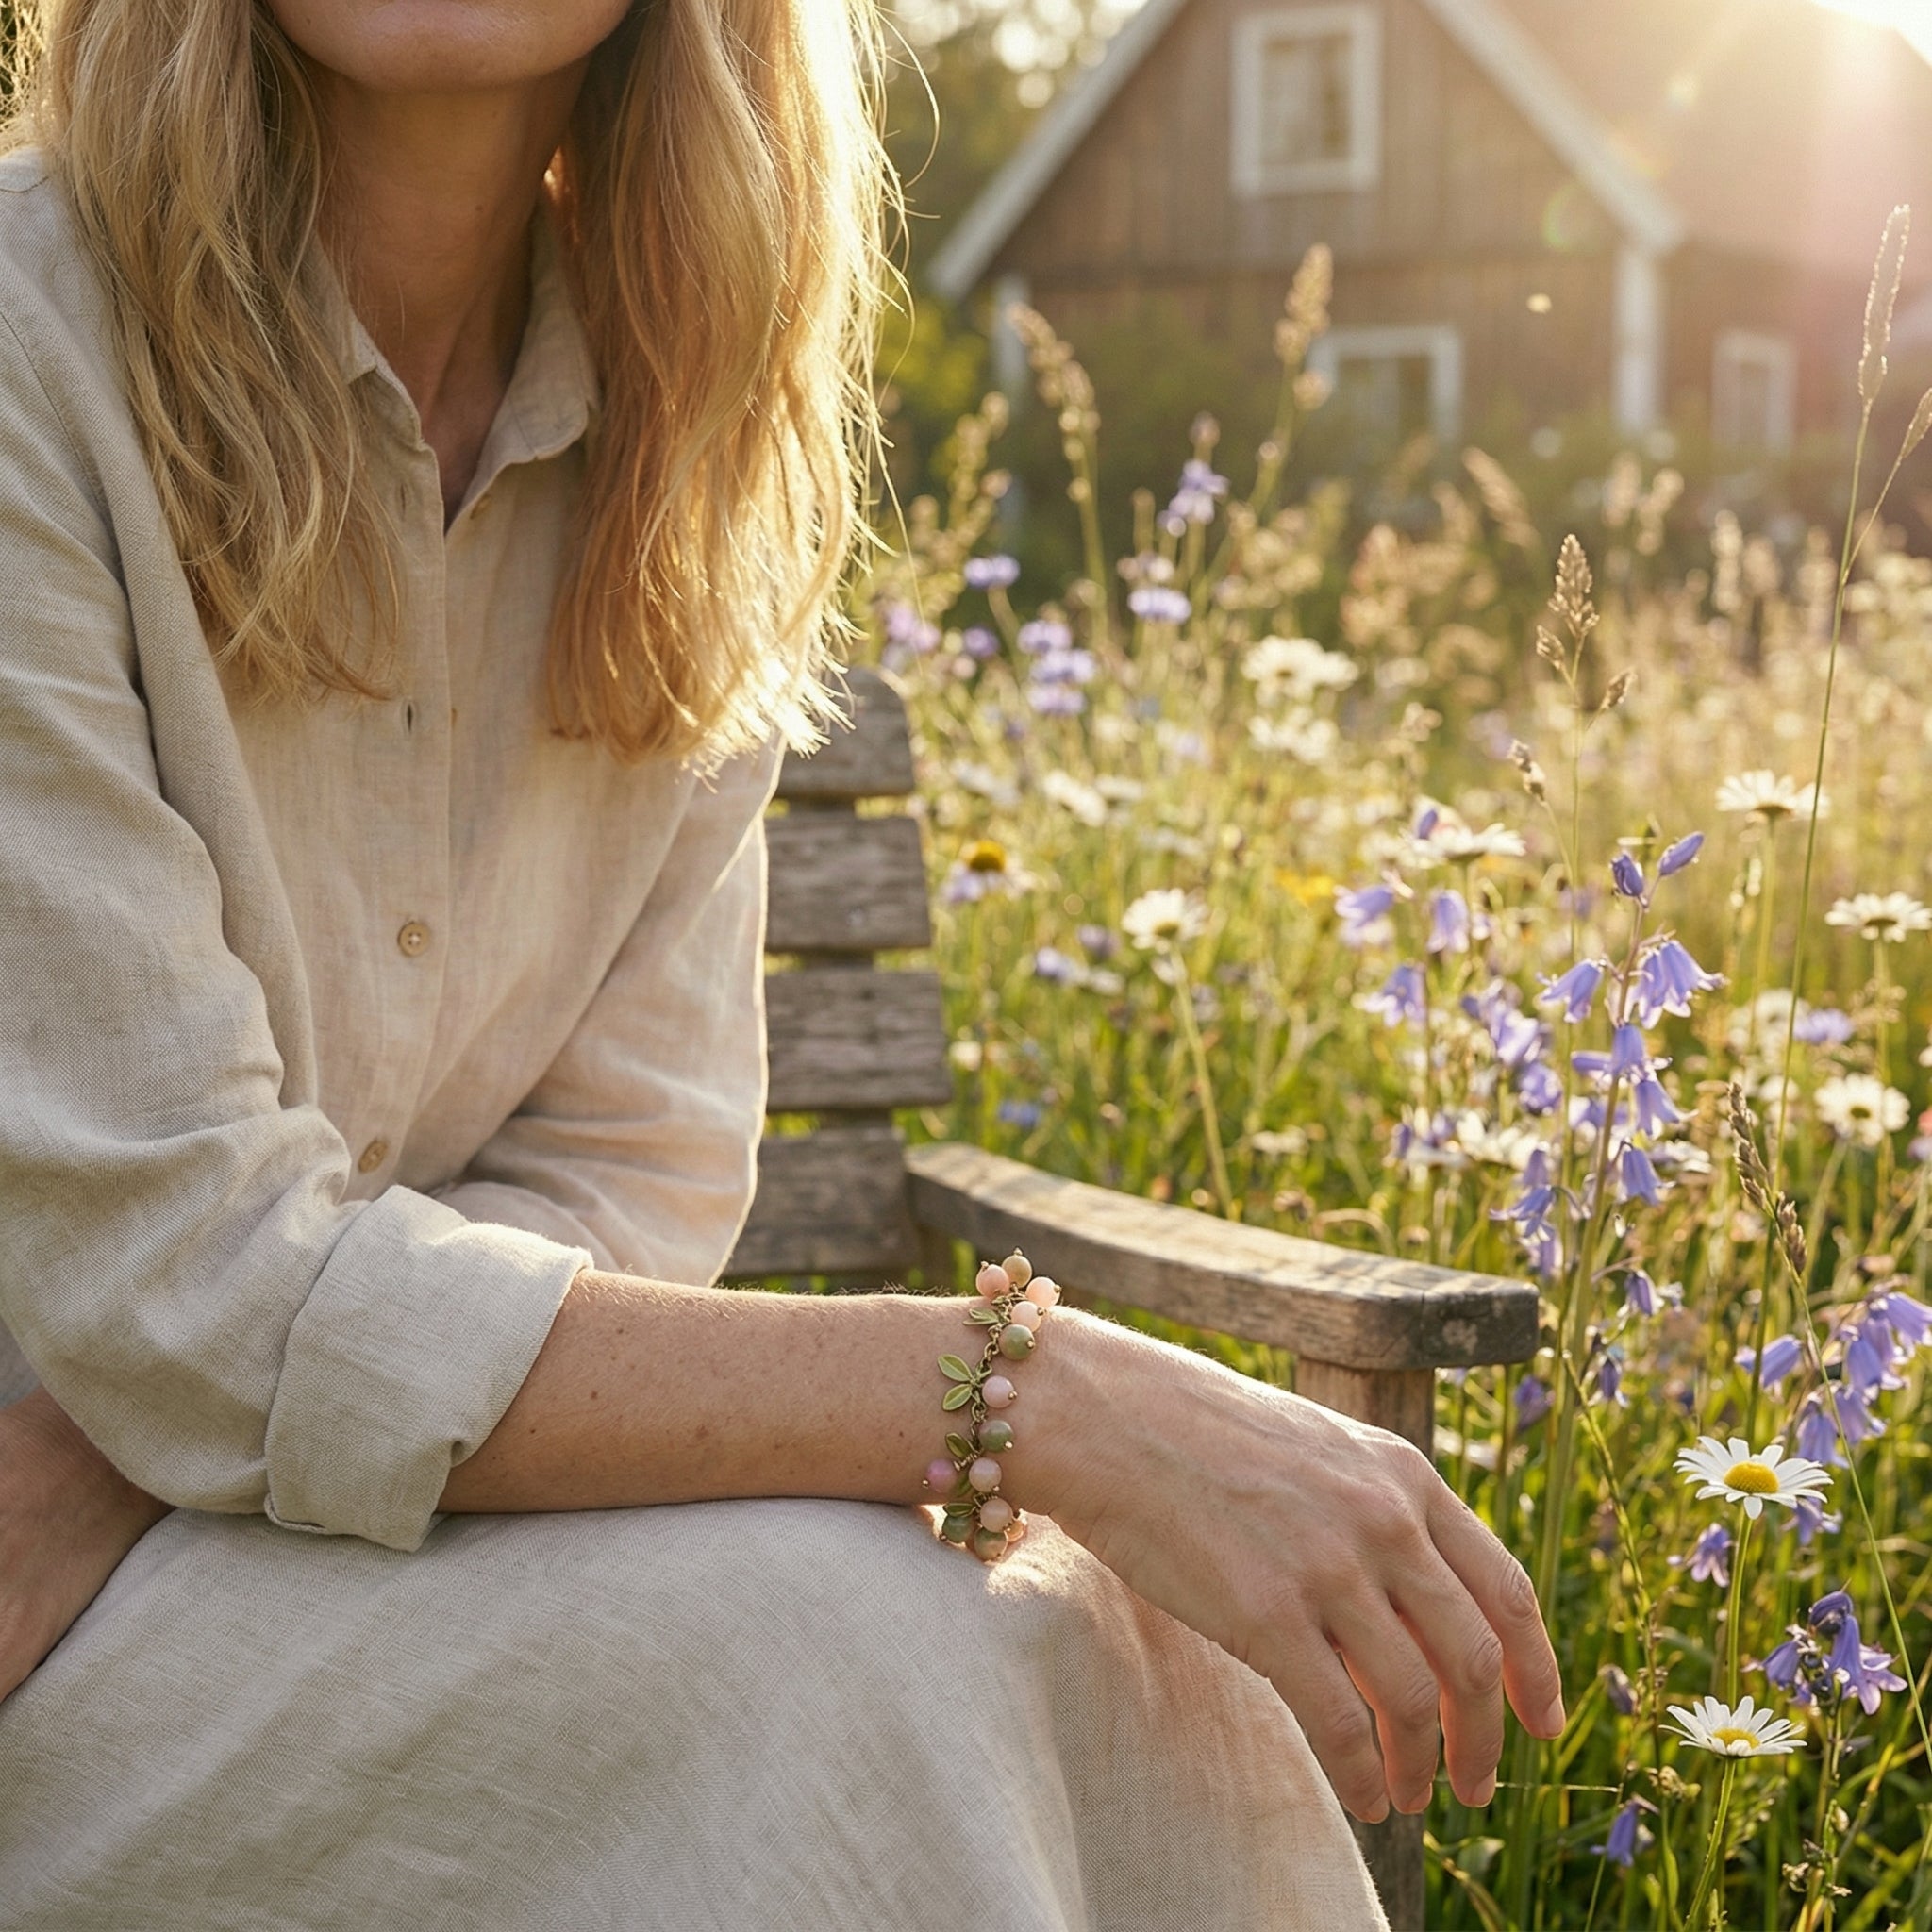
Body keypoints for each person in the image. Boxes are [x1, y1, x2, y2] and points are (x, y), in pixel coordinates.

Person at [0, 2, 1565, 1924]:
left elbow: (629, 1172)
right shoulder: (30, 350)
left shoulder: (686, 408)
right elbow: (185, 1283)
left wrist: (155, 1426)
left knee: (1085, 1646)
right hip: (37, 1628)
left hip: (152, 1507)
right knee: (830, 1653)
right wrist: (1030, 1391)